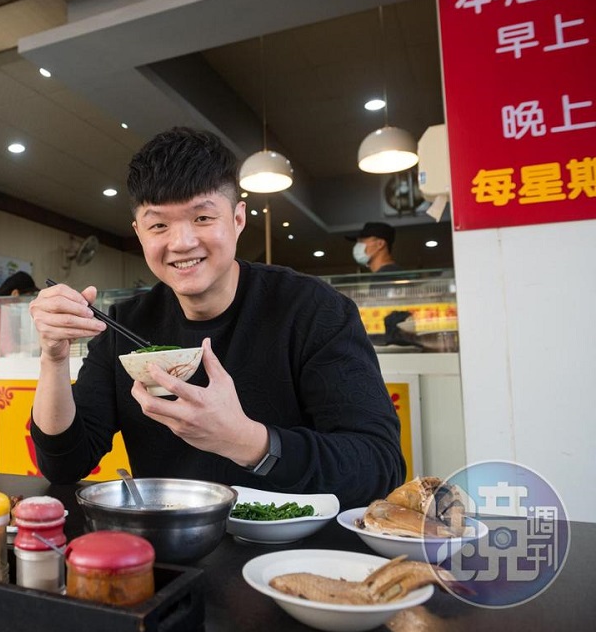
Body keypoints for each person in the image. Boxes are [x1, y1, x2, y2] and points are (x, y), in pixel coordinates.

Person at [27, 127, 405, 509]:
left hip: (291, 540)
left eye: (203, 218)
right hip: (167, 535)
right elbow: (64, 465)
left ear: (238, 218)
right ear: (139, 233)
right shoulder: (125, 324)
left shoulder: (313, 310)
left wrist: (247, 441)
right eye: (159, 225)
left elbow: (380, 466)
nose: (182, 242)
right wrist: (53, 358)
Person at [0, 271, 40, 356]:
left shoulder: (9, 313)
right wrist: (37, 346)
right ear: (15, 294)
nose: (29, 301)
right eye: (28, 296)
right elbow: (8, 348)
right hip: (4, 362)